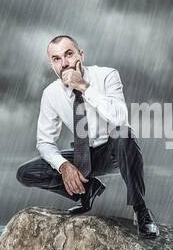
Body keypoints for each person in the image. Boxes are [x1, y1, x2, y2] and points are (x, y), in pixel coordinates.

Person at [15, 35, 159, 238]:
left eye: (69, 54)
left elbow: (120, 117)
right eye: (57, 59)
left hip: (113, 150)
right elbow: (45, 142)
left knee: (123, 133)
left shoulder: (107, 75)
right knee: (26, 172)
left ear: (81, 55)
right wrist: (64, 166)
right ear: (52, 65)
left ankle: (141, 210)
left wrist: (83, 86)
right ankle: (88, 190)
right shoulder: (50, 94)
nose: (64, 64)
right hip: (82, 156)